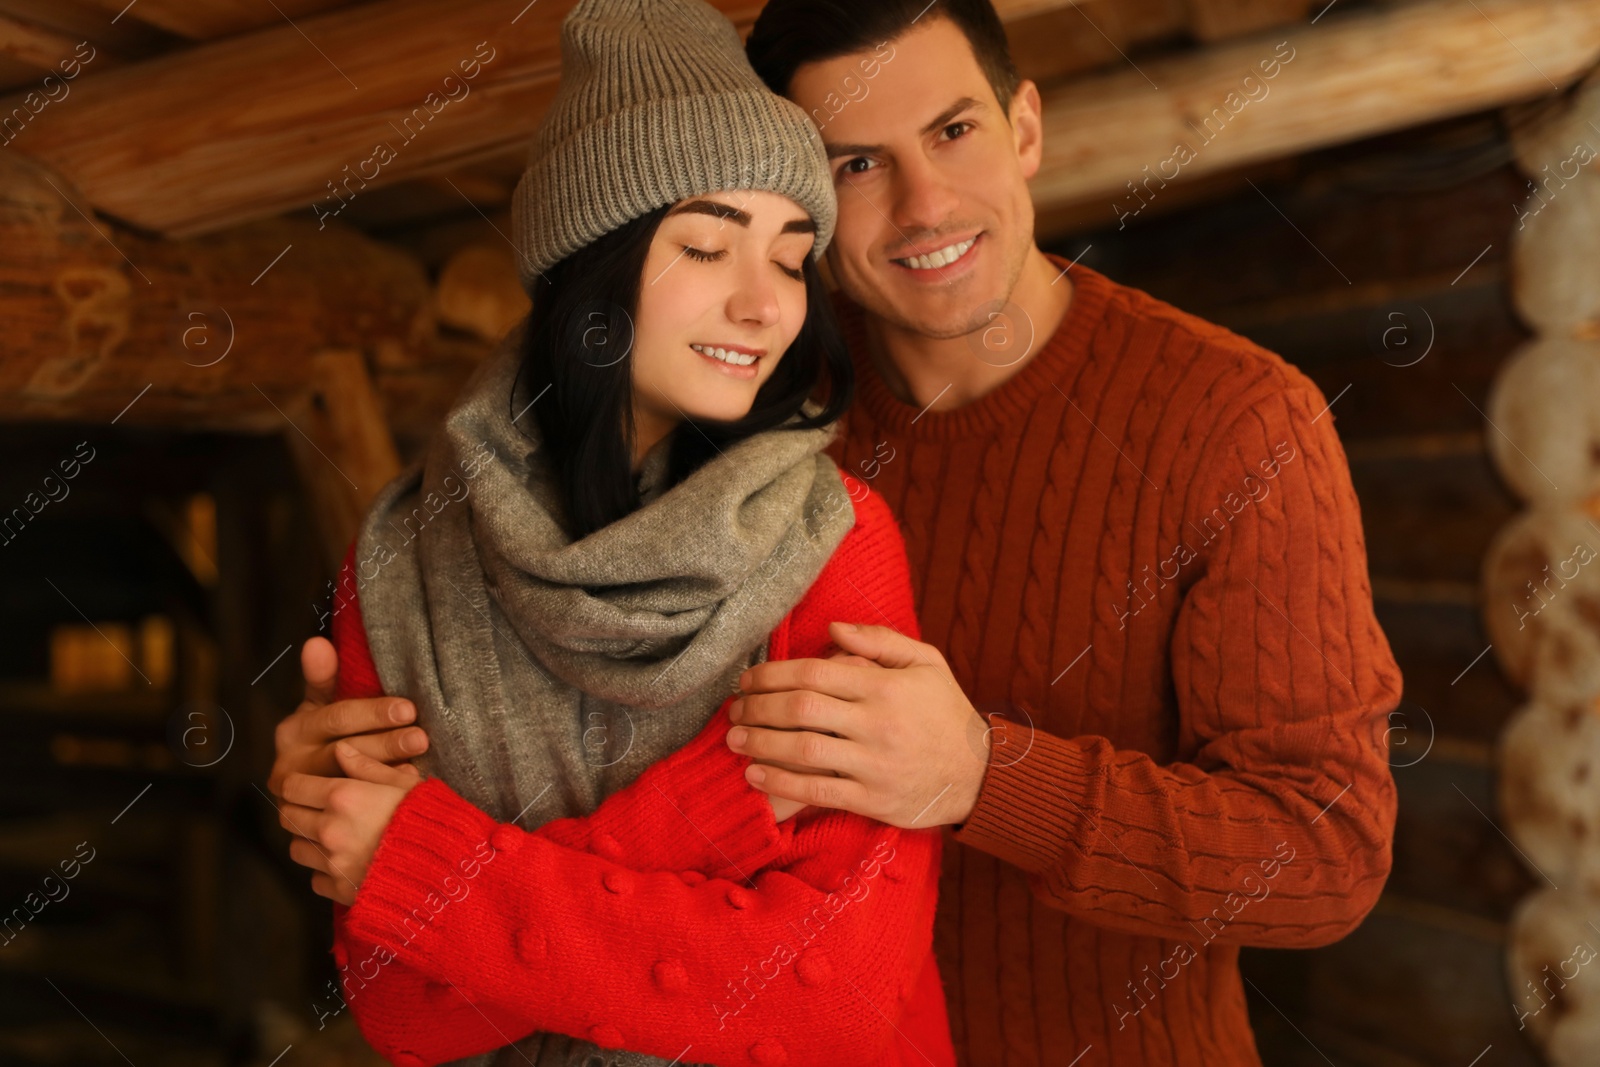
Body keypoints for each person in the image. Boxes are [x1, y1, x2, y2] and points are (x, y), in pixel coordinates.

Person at [275, 0, 1405, 1064]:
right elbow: (402, 984)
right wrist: (348, 807)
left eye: (953, 130)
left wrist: (980, 775)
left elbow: (1324, 852)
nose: (922, 205)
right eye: (857, 163)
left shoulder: (1238, 422)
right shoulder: (739, 408)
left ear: (1023, 127)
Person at [269, 1, 956, 1065]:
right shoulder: (406, 558)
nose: (765, 304)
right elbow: (405, 1013)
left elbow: (837, 999)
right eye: (705, 243)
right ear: (588, 262)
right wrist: (699, 814)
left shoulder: (834, 546)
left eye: (788, 255)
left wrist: (427, 869)